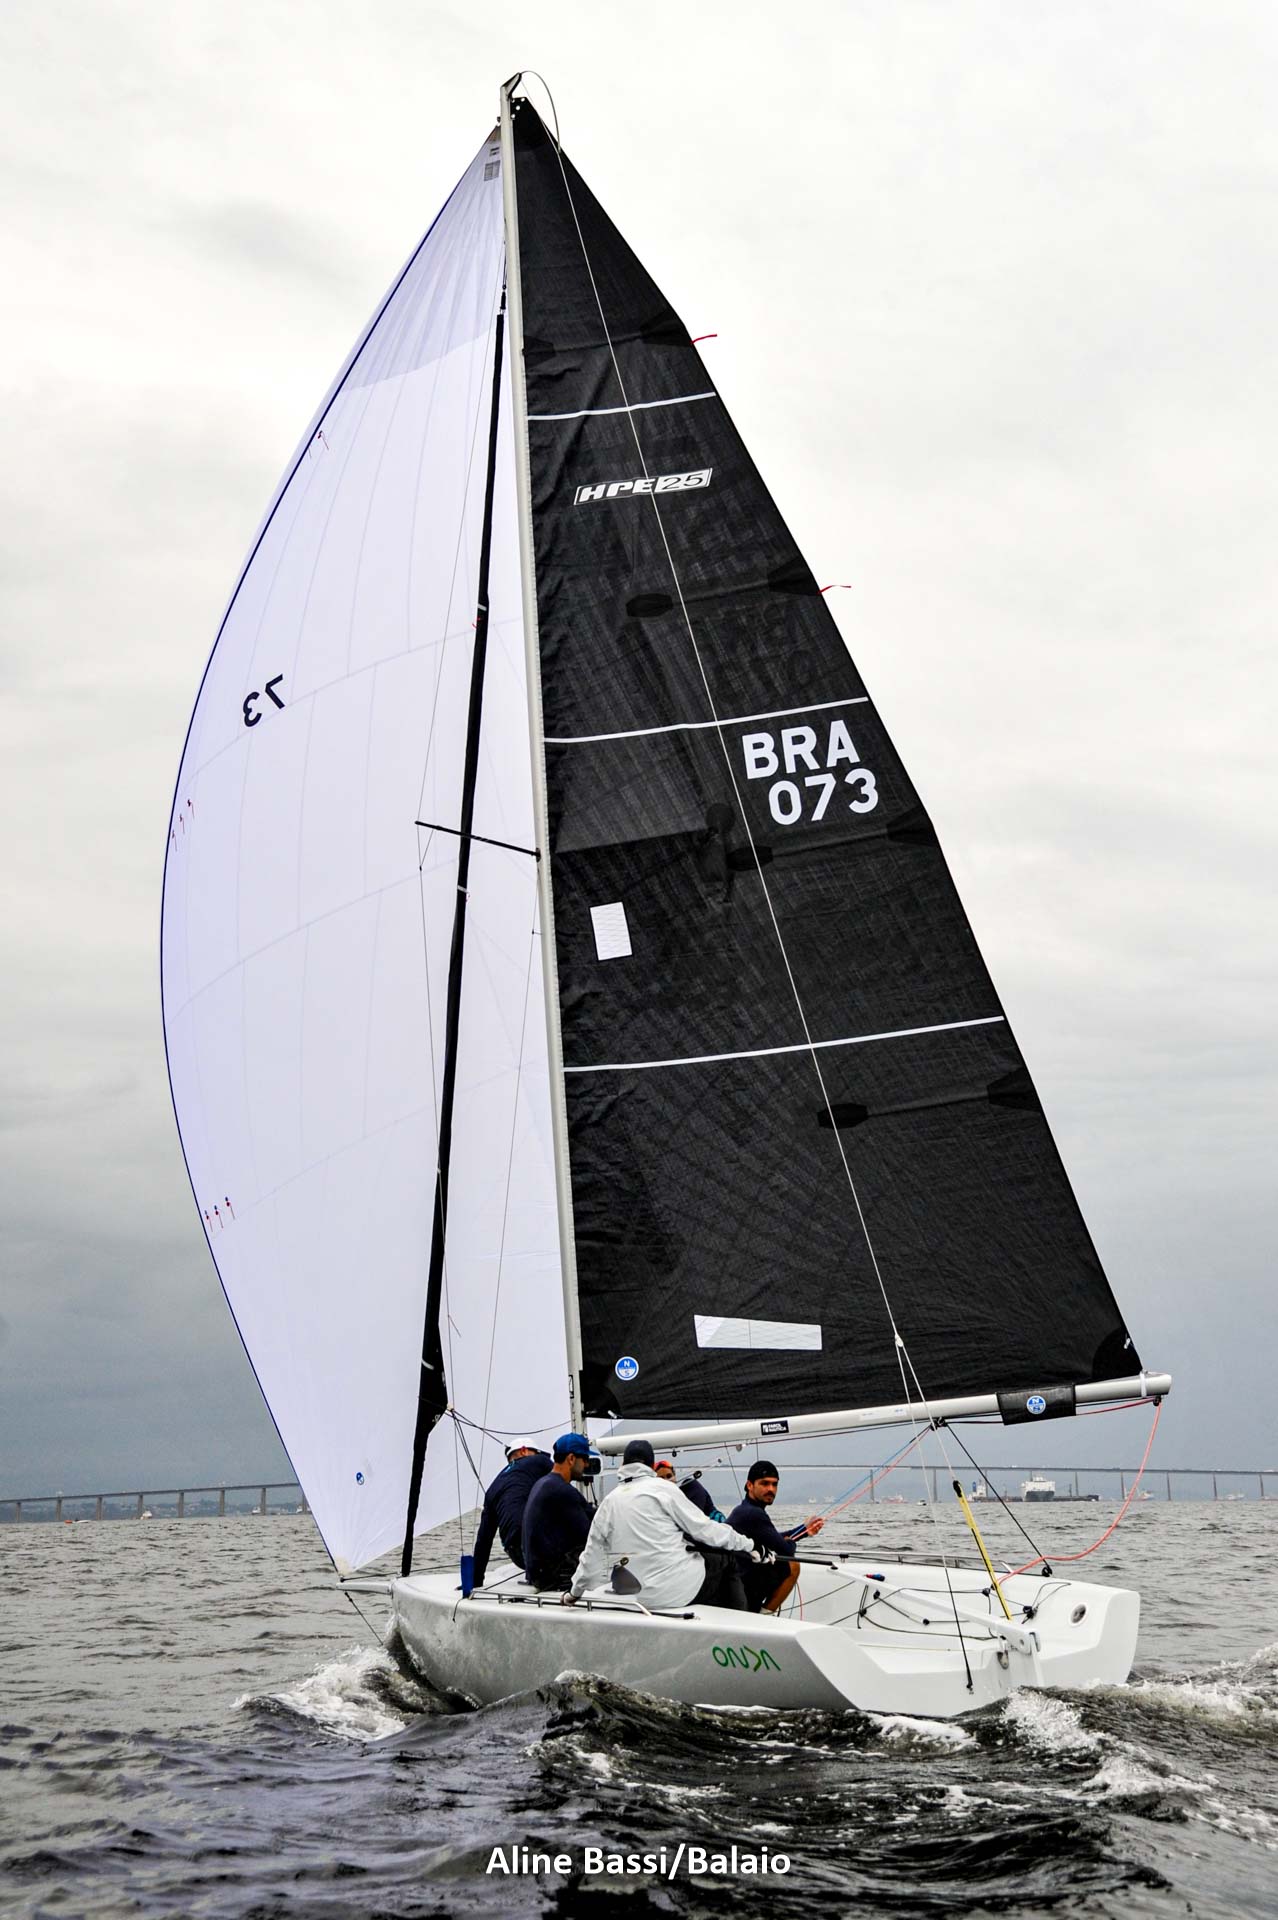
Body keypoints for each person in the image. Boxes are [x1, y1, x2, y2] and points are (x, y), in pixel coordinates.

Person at [567, 1439, 771, 1613]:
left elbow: (591, 1555)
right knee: (726, 1559)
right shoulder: (663, 1489)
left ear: (623, 1464)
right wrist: (751, 1546)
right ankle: (742, 1622)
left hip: (633, 1597)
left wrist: (573, 1594)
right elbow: (706, 1530)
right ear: (651, 1465)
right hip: (675, 1594)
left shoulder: (608, 1502)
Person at [728, 1460, 825, 1614]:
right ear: (749, 1485)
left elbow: (774, 1538)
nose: (771, 1489)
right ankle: (763, 1616)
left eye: (774, 1484)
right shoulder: (753, 1513)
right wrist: (790, 1543)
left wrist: (805, 1530)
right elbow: (786, 1550)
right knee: (792, 1565)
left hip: (736, 1581)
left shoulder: (745, 1509)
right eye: (764, 1483)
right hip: (738, 1587)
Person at [521, 1432, 595, 1591]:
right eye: (585, 1459)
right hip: (556, 1579)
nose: (587, 1464)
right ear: (571, 1458)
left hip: (538, 1575)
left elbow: (588, 1512)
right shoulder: (562, 1490)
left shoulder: (544, 1483)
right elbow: (591, 1535)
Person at [471, 1440, 550, 1586]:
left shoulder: (493, 1488)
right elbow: (564, 1473)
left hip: (518, 1556)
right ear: (524, 1451)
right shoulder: (538, 1461)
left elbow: (484, 1539)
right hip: (542, 1552)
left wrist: (475, 1581)